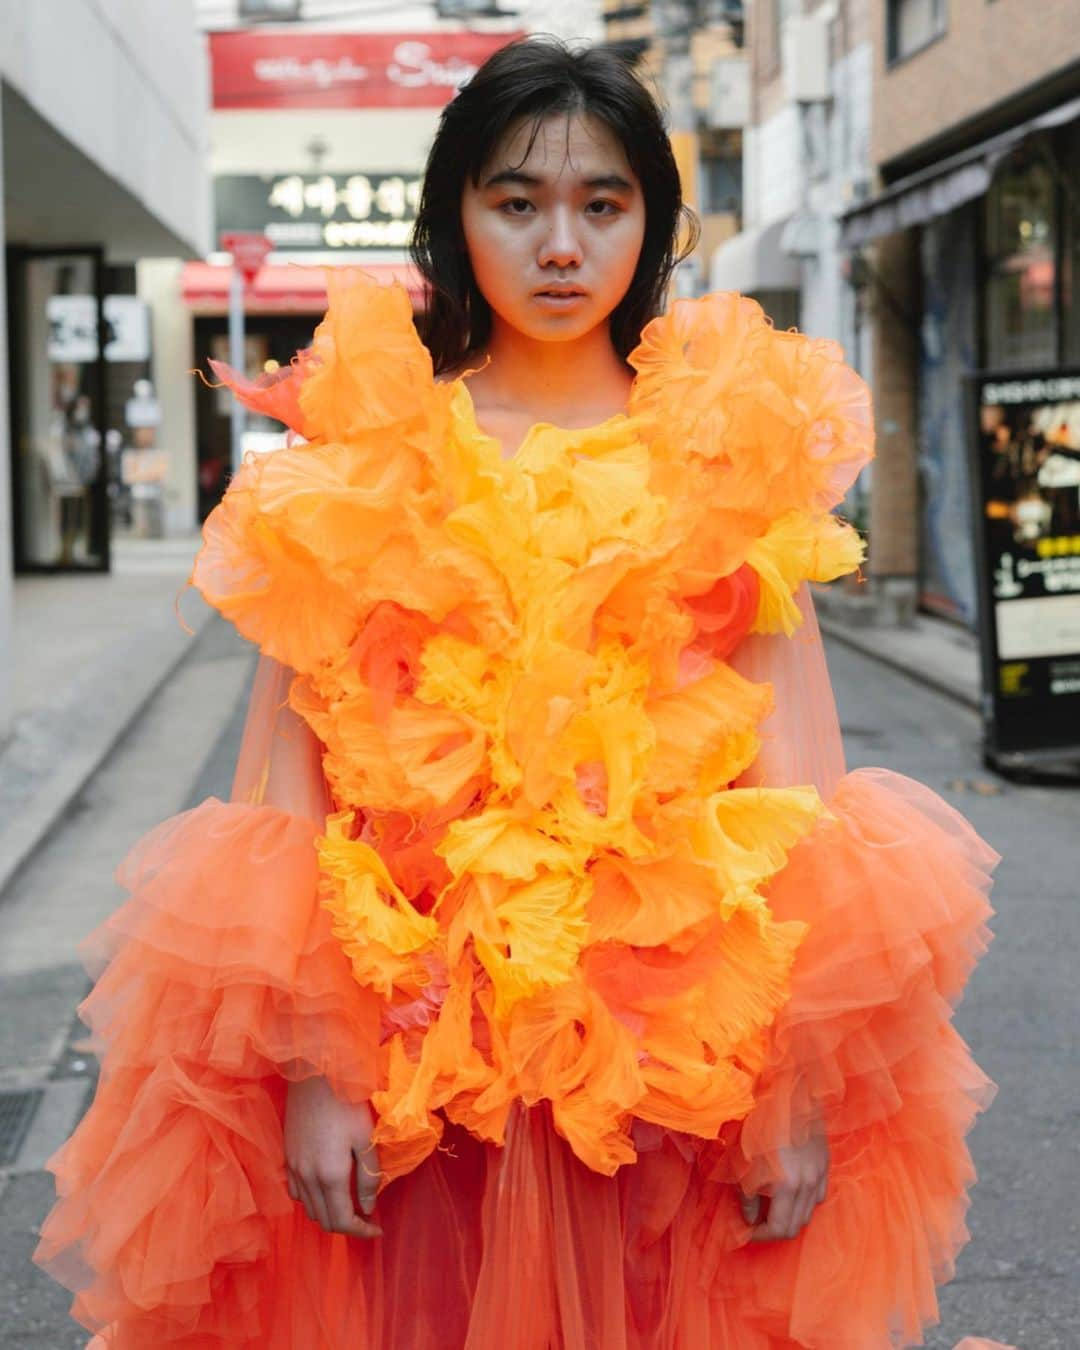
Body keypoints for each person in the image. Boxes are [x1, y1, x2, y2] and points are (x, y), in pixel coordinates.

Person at [36, 37, 1010, 1350]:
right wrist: (318, 1074)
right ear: (455, 217)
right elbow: (288, 785)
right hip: (420, 1070)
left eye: (602, 204)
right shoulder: (373, 451)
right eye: (518, 201)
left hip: (666, 1076)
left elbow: (794, 796)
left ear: (651, 224)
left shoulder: (716, 458)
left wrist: (791, 1085)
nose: (563, 245)